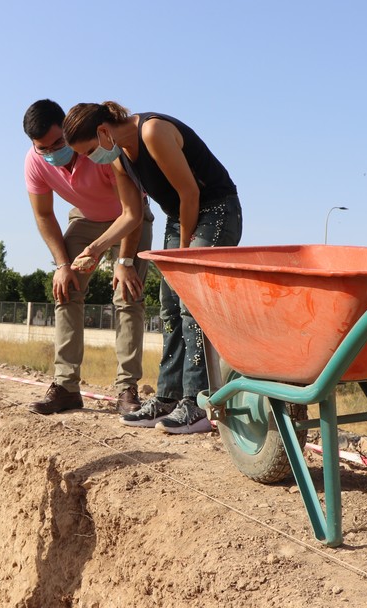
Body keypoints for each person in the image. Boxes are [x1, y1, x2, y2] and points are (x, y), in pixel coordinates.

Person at [63, 101, 242, 435]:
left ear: (103, 131)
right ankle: (169, 397)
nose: (89, 160)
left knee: (191, 303)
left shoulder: (152, 131)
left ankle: (199, 403)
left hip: (215, 210)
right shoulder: (118, 156)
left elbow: (190, 193)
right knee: (169, 305)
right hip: (180, 218)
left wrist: (185, 254)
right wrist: (95, 249)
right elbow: (130, 215)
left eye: (88, 151)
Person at [22, 99, 155, 416]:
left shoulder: (100, 152)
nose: (54, 151)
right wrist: (62, 265)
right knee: (65, 289)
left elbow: (132, 213)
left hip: (130, 219)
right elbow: (43, 215)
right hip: (84, 219)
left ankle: (127, 389)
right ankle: (66, 387)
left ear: (68, 131)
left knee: (128, 294)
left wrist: (124, 263)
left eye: (59, 142)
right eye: (44, 148)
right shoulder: (34, 162)